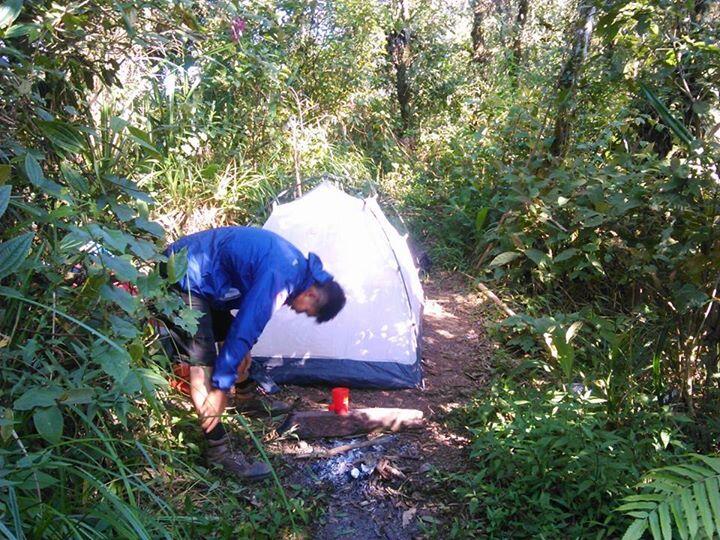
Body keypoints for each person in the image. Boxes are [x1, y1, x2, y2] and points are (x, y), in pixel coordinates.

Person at [161, 226, 346, 481]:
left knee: (237, 344)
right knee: (202, 365)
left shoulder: (296, 270)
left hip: (209, 279)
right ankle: (217, 450)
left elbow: (247, 324)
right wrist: (222, 384)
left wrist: (241, 350)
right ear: (312, 293)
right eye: (305, 311)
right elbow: (248, 323)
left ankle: (246, 399)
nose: (298, 312)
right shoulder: (281, 276)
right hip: (184, 273)